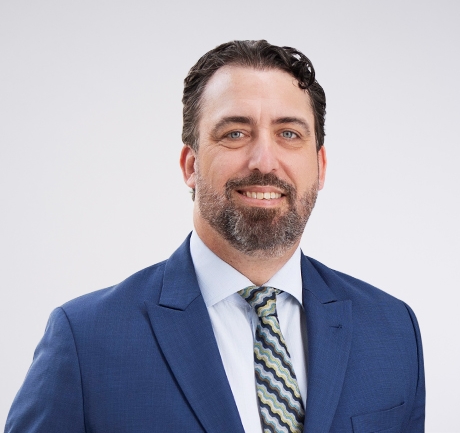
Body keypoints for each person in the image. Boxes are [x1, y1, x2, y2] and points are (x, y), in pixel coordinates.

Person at [5, 40, 425, 433]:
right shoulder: (85, 341)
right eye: (235, 133)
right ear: (190, 165)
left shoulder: (392, 329)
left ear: (320, 167)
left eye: (289, 134)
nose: (264, 161)